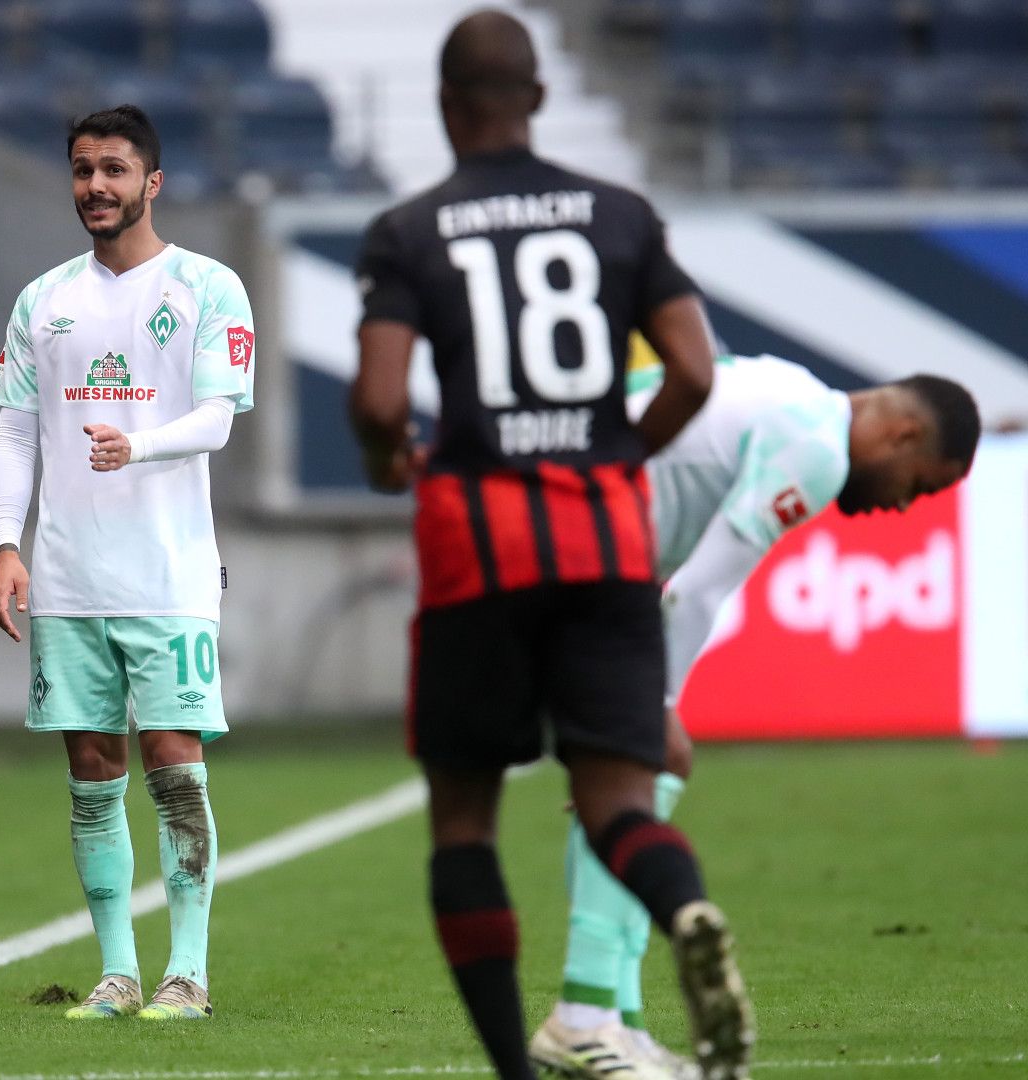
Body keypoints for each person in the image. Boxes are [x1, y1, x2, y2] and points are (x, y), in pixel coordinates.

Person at [348, 11, 752, 1080]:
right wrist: (616, 453)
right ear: (536, 99)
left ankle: (516, 1074)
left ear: (446, 107)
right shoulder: (621, 216)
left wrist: (392, 456)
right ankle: (689, 909)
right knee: (619, 801)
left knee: (465, 825)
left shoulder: (410, 230)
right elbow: (697, 372)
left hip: (479, 548)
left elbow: (384, 398)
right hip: (605, 541)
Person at [532, 355, 978, 1078]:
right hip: (559, 543)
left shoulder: (789, 390)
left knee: (638, 769)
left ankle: (619, 1021)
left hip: (559, 526)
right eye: (917, 487)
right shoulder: (817, 452)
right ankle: (585, 1018)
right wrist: (658, 706)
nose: (902, 506)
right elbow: (697, 593)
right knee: (648, 759)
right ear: (901, 436)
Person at [0, 105, 256, 1023]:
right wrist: (5, 543)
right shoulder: (42, 299)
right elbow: (16, 432)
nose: (95, 186)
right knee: (92, 773)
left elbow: (219, 417)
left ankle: (188, 972)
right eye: (81, 170)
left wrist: (133, 448)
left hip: (171, 576)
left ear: (153, 181)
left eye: (113, 169)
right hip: (66, 577)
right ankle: (116, 972)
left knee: (174, 766)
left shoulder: (209, 287)